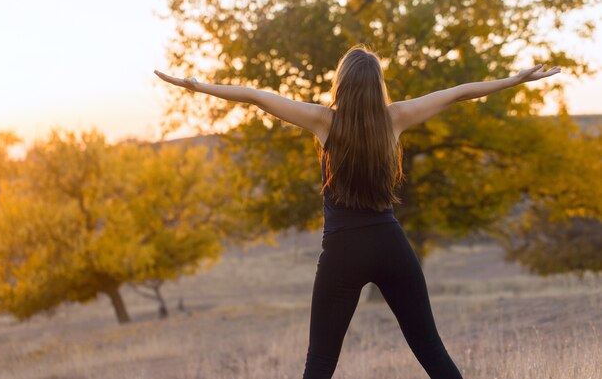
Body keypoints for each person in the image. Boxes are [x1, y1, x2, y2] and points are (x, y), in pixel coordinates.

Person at [154, 43, 560, 378]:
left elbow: (257, 98)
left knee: (319, 364)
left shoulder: (322, 121)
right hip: (390, 244)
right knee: (432, 352)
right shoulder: (396, 118)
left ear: (341, 84)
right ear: (377, 85)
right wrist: (514, 80)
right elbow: (458, 92)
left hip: (343, 253)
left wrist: (198, 86)